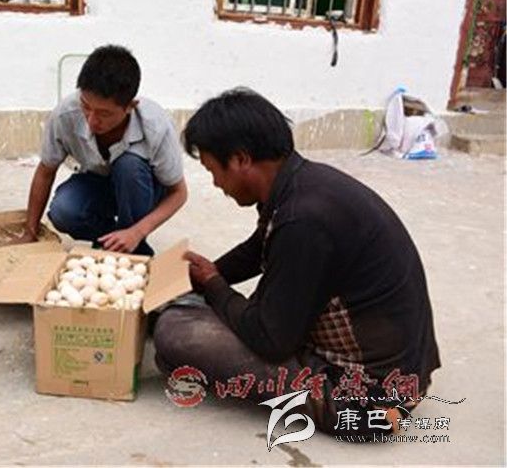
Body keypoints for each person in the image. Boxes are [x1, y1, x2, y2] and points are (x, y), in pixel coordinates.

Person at [154, 88, 441, 439]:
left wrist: (214, 285)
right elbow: (258, 248)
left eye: (214, 171)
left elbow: (271, 340)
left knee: (175, 332)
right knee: (192, 309)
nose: (216, 184)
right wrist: (204, 276)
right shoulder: (300, 183)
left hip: (366, 398)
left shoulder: (303, 220)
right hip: (403, 372)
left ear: (241, 159)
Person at [21, 45, 187, 255]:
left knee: (129, 166)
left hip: (142, 189)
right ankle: (113, 241)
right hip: (98, 182)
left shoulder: (156, 126)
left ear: (130, 106)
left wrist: (137, 232)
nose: (92, 120)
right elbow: (45, 171)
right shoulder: (65, 114)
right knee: (64, 210)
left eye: (104, 114)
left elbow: (179, 193)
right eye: (86, 106)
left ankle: (135, 249)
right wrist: (30, 231)